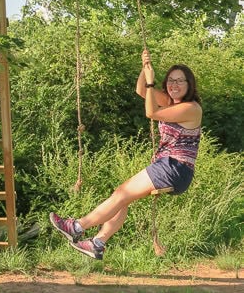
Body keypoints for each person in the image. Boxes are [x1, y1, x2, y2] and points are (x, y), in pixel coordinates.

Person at [49, 48, 202, 260]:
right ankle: (97, 243)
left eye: (180, 81)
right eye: (170, 80)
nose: (174, 85)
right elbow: (141, 90)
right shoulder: (169, 102)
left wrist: (151, 83)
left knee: (121, 194)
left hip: (174, 167)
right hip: (169, 166)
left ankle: (76, 226)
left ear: (189, 85)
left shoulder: (191, 108)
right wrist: (145, 68)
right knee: (122, 197)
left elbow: (151, 113)